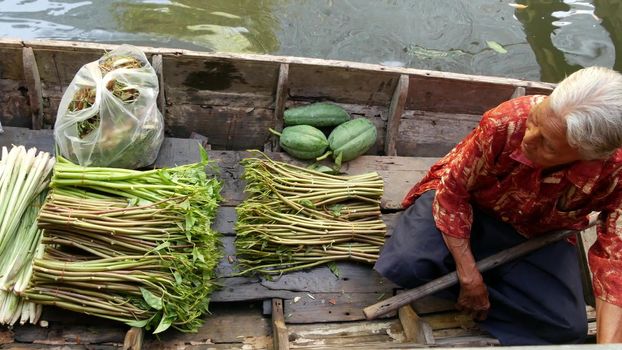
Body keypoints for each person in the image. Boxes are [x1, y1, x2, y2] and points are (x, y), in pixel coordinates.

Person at [374, 66, 622, 345]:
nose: (528, 140)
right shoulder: (505, 122)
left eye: (548, 145)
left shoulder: (615, 171)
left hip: (538, 232)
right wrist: (469, 277)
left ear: (587, 155)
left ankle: (487, 286)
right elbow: (453, 193)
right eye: (535, 121)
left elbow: (614, 259)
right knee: (406, 265)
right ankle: (489, 284)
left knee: (566, 328)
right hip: (472, 208)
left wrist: (609, 345)